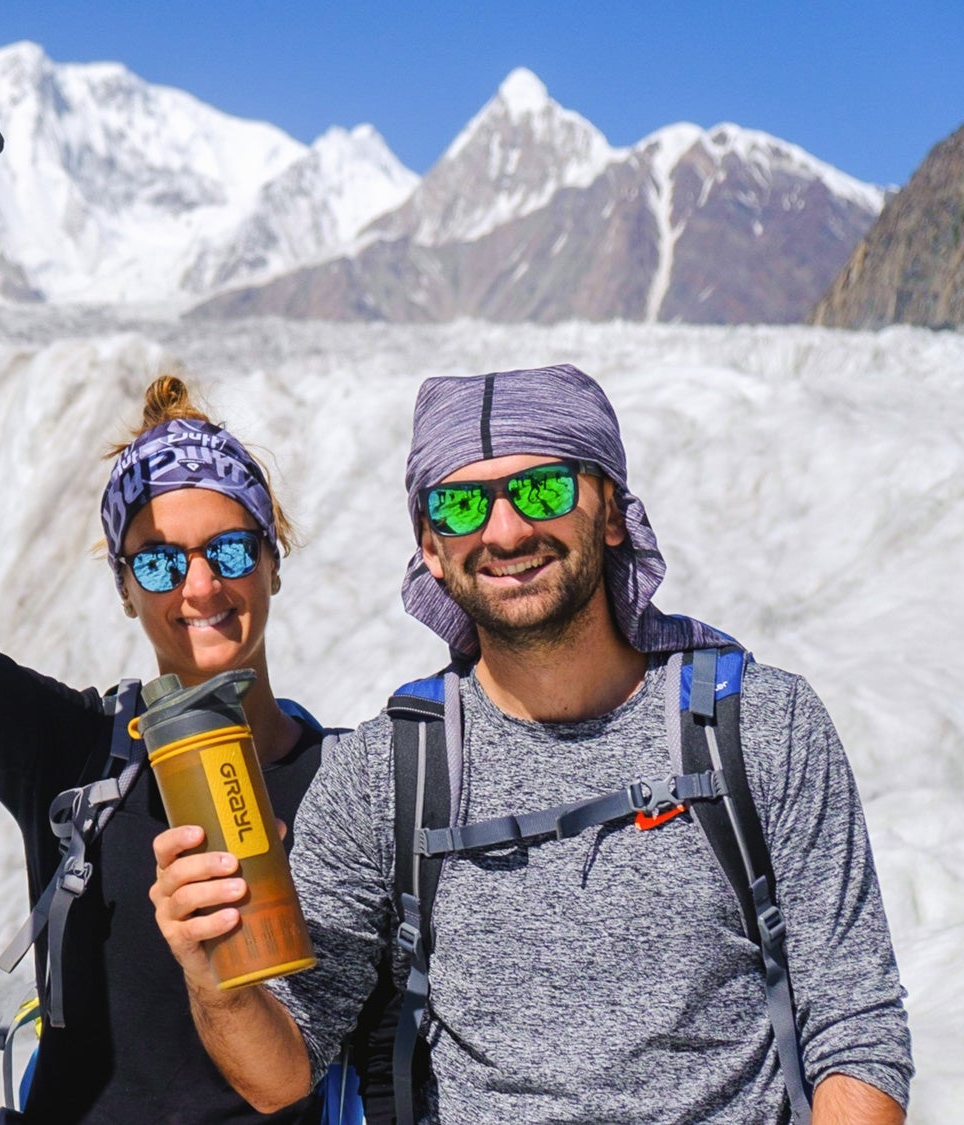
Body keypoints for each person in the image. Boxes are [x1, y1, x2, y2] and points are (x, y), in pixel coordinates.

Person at [153, 364, 914, 1123]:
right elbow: (282, 1072)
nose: (506, 531)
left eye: (543, 490)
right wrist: (212, 973)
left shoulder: (759, 725)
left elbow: (857, 1029)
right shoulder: (383, 774)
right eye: (460, 505)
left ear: (610, 511)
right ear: (430, 546)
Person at [0, 199, 333, 1123]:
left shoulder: (350, 781)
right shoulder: (74, 758)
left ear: (273, 559)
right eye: (158, 561)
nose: (199, 585)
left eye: (230, 549)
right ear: (124, 588)